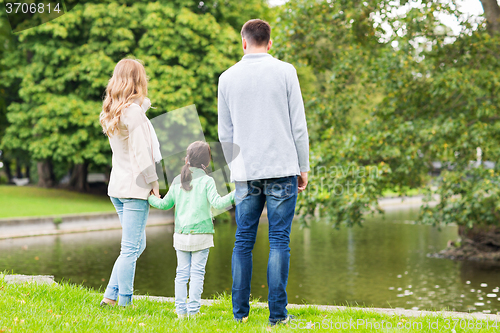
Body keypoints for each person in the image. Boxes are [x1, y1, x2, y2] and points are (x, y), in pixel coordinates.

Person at [217, 19, 310, 325]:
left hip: (245, 172)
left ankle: (240, 315)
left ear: (244, 42)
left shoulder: (226, 78)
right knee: (279, 241)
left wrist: (235, 169)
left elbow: (224, 133)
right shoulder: (286, 71)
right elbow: (298, 126)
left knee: (243, 240)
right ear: (269, 43)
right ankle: (278, 317)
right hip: (282, 167)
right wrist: (303, 167)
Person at [148, 141, 235, 318]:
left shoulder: (176, 181)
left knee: (181, 274)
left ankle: (181, 312)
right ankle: (193, 312)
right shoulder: (206, 181)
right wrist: (236, 193)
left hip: (181, 236)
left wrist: (150, 198)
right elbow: (218, 203)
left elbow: (165, 204)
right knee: (197, 274)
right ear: (207, 161)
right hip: (202, 235)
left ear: (187, 158)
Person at [99, 58, 160, 307]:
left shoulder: (113, 109)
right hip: (135, 189)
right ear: (138, 79)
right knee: (131, 248)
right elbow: (141, 152)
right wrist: (154, 182)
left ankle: (110, 297)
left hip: (118, 187)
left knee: (135, 245)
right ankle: (124, 302)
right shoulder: (132, 112)